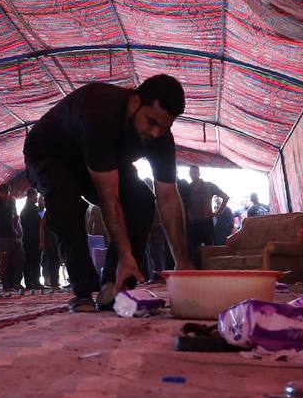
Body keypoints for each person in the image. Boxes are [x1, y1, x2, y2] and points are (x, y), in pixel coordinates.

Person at [23, 75, 195, 313]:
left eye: (165, 127)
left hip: (102, 158)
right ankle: (83, 292)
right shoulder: (100, 113)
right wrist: (125, 253)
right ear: (135, 102)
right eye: (152, 122)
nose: (156, 133)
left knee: (142, 201)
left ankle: (115, 284)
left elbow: (168, 200)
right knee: (66, 202)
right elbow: (108, 197)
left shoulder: (160, 138)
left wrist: (182, 261)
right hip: (51, 152)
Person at [185, 165, 228, 267]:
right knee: (195, 251)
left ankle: (210, 272)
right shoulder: (187, 188)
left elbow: (225, 197)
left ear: (199, 173)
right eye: (192, 173)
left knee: (209, 250)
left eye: (195, 172)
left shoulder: (208, 186)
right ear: (189, 175)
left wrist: (218, 212)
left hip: (205, 222)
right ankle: (200, 273)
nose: (194, 175)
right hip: (194, 223)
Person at [19, 188, 43, 291]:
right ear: (31, 196)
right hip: (33, 238)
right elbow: (42, 221)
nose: (37, 198)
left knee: (28, 262)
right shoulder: (34, 209)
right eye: (36, 196)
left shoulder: (24, 210)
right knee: (35, 261)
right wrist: (42, 208)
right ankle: (36, 283)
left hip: (25, 239)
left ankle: (29, 284)